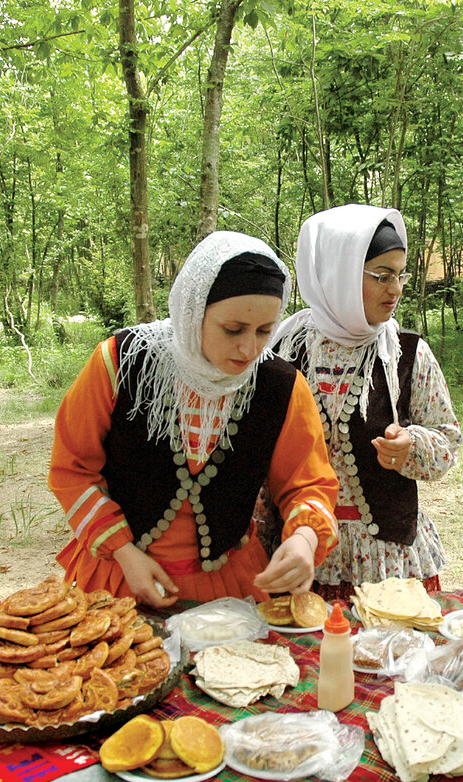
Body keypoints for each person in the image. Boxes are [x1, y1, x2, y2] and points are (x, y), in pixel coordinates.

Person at [48, 230, 339, 609]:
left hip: (228, 587)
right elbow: (73, 469)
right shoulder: (121, 362)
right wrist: (122, 551)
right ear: (193, 310)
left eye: (265, 331)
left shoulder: (280, 386)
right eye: (232, 329)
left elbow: (308, 482)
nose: (249, 348)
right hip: (117, 579)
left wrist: (304, 538)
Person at [272, 204, 461, 602]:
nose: (396, 289)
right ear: (336, 274)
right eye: (382, 276)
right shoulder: (286, 350)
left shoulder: (406, 354)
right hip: (303, 553)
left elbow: (447, 441)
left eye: (400, 275)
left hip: (388, 560)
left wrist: (412, 445)